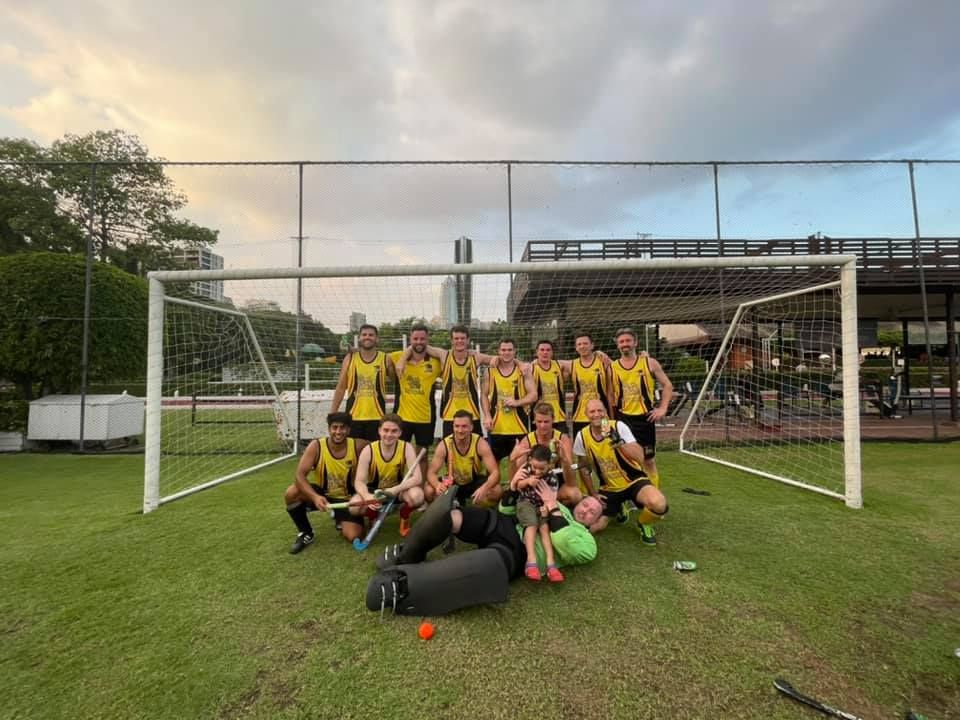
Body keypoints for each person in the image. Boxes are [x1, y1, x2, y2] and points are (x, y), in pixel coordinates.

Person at [365, 473, 601, 616]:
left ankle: (405, 587)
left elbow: (563, 542)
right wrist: (514, 489)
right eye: (586, 504)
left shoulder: (588, 543)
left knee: (486, 564)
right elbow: (507, 509)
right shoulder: (561, 508)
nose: (586, 510)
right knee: (452, 516)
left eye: (592, 512)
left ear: (594, 522)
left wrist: (552, 506)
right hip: (505, 525)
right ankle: (407, 554)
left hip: (517, 552)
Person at [573, 399, 669, 545]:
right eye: (592, 411)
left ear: (606, 412)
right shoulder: (582, 436)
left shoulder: (618, 426)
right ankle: (619, 508)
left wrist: (619, 443)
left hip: (634, 481)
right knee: (596, 526)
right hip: (609, 488)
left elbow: (640, 457)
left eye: (600, 410)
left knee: (659, 504)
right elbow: (584, 467)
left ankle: (644, 523)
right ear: (586, 414)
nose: (596, 414)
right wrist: (593, 493)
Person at [283, 412, 369, 553]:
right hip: (323, 494)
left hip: (348, 499)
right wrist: (315, 497)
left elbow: (380, 452)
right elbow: (299, 475)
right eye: (334, 427)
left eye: (342, 428)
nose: (338, 432)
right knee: (292, 493)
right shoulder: (316, 446)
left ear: (348, 430)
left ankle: (340, 517)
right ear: (329, 429)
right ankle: (306, 532)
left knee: (354, 535)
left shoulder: (359, 445)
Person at [609, 327, 673, 487]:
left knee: (648, 460)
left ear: (635, 343)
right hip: (623, 419)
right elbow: (609, 396)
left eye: (628, 341)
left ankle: (654, 494)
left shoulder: (649, 363)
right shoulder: (612, 367)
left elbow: (667, 385)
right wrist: (609, 420)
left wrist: (663, 408)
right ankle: (630, 493)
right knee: (624, 459)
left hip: (645, 419)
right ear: (617, 344)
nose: (625, 344)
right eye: (621, 341)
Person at [353, 414, 425, 537]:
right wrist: (367, 496)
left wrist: (395, 489)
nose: (389, 434)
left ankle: (404, 516)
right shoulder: (369, 450)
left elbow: (417, 478)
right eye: (385, 430)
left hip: (397, 492)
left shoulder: (406, 447)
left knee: (417, 496)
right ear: (379, 430)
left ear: (400, 433)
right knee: (354, 506)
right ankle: (372, 518)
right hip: (375, 492)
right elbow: (359, 481)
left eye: (394, 431)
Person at [419, 324, 495, 437]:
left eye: (462, 338)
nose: (459, 341)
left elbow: (501, 359)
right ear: (451, 340)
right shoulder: (444, 355)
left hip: (472, 414)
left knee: (475, 446)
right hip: (450, 414)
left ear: (468, 340)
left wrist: (520, 364)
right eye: (456, 338)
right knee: (449, 447)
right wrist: (403, 359)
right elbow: (420, 345)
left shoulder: (476, 357)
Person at [391, 323, 442, 479]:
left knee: (422, 456)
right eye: (415, 339)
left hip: (425, 417)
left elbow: (447, 355)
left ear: (428, 340)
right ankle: (397, 486)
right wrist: (404, 357)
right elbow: (379, 359)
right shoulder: (397, 357)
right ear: (410, 339)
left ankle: (421, 486)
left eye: (422, 339)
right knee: (398, 455)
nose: (419, 342)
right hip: (402, 416)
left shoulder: (435, 362)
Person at [508, 402, 579, 507]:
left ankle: (552, 507)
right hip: (533, 486)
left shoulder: (562, 439)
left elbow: (571, 481)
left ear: (553, 419)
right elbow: (514, 480)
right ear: (534, 420)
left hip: (555, 485)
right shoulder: (527, 441)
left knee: (575, 495)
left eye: (546, 422)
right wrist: (512, 460)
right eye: (539, 421)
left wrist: (564, 459)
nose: (542, 425)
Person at [511, 444, 565, 582]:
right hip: (526, 502)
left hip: (542, 506)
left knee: (545, 528)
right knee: (532, 524)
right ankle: (531, 561)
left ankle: (551, 564)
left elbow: (552, 498)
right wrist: (527, 481)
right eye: (535, 467)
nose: (537, 471)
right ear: (530, 460)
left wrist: (546, 509)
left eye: (542, 468)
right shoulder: (526, 469)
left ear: (550, 464)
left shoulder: (552, 477)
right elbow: (517, 485)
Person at [425, 409, 501, 506]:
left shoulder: (480, 443)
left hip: (473, 481)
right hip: (452, 482)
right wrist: (437, 485)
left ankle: (477, 504)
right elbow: (431, 473)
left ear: (471, 427)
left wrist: (485, 487)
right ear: (453, 426)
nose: (460, 430)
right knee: (428, 491)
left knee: (497, 491)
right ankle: (452, 503)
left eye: (464, 426)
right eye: (457, 426)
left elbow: (495, 472)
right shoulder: (444, 444)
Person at [329, 324, 392, 442]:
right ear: (359, 338)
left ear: (377, 339)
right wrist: (333, 412)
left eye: (371, 335)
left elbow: (396, 379)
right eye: (364, 335)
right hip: (353, 416)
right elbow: (341, 387)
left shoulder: (386, 359)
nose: (367, 337)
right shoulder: (350, 358)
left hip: (377, 416)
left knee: (374, 452)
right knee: (353, 451)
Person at [481, 338, 537, 462]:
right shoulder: (490, 371)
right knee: (493, 464)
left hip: (519, 426)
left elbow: (533, 395)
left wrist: (517, 402)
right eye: (503, 350)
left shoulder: (523, 371)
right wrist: (487, 416)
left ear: (515, 351)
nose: (506, 353)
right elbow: (484, 395)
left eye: (510, 350)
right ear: (498, 351)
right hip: (496, 426)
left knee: (518, 464)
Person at [569, 332, 613, 438]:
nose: (582, 346)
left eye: (585, 343)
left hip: (603, 415)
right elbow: (550, 364)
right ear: (576, 348)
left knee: (607, 440)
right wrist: (535, 362)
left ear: (592, 345)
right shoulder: (571, 365)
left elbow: (620, 368)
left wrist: (644, 355)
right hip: (580, 415)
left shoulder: (603, 362)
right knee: (581, 444)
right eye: (579, 344)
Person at [528, 339, 569, 432]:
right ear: (536, 352)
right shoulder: (531, 368)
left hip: (559, 416)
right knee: (540, 441)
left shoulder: (559, 365)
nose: (545, 352)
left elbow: (579, 361)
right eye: (542, 350)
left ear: (552, 352)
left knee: (562, 438)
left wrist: (596, 353)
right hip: (539, 417)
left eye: (548, 350)